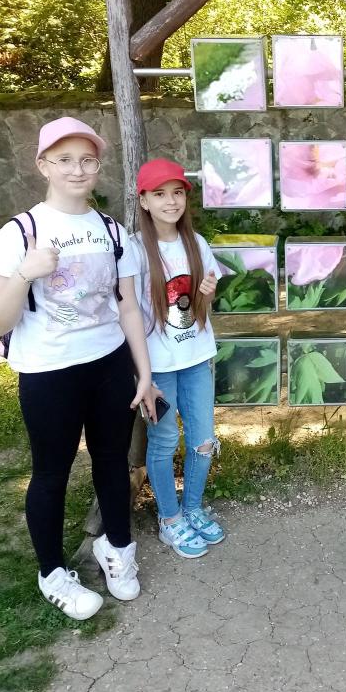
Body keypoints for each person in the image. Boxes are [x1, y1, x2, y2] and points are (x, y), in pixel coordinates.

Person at [0, 117, 158, 620]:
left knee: (112, 460)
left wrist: (144, 374)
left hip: (109, 364)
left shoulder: (112, 231)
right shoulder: (19, 233)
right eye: (64, 159)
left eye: (87, 160)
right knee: (52, 472)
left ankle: (117, 547)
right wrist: (24, 274)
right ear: (42, 165)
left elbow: (128, 307)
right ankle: (52, 573)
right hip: (48, 371)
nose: (77, 169)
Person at [133, 158, 224, 559]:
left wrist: (208, 292)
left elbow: (203, 303)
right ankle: (170, 519)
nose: (170, 202)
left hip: (197, 358)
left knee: (203, 440)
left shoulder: (197, 243)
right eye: (159, 194)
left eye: (177, 193)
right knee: (165, 439)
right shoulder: (134, 250)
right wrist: (143, 375)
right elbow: (128, 314)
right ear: (144, 200)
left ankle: (193, 508)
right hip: (158, 367)